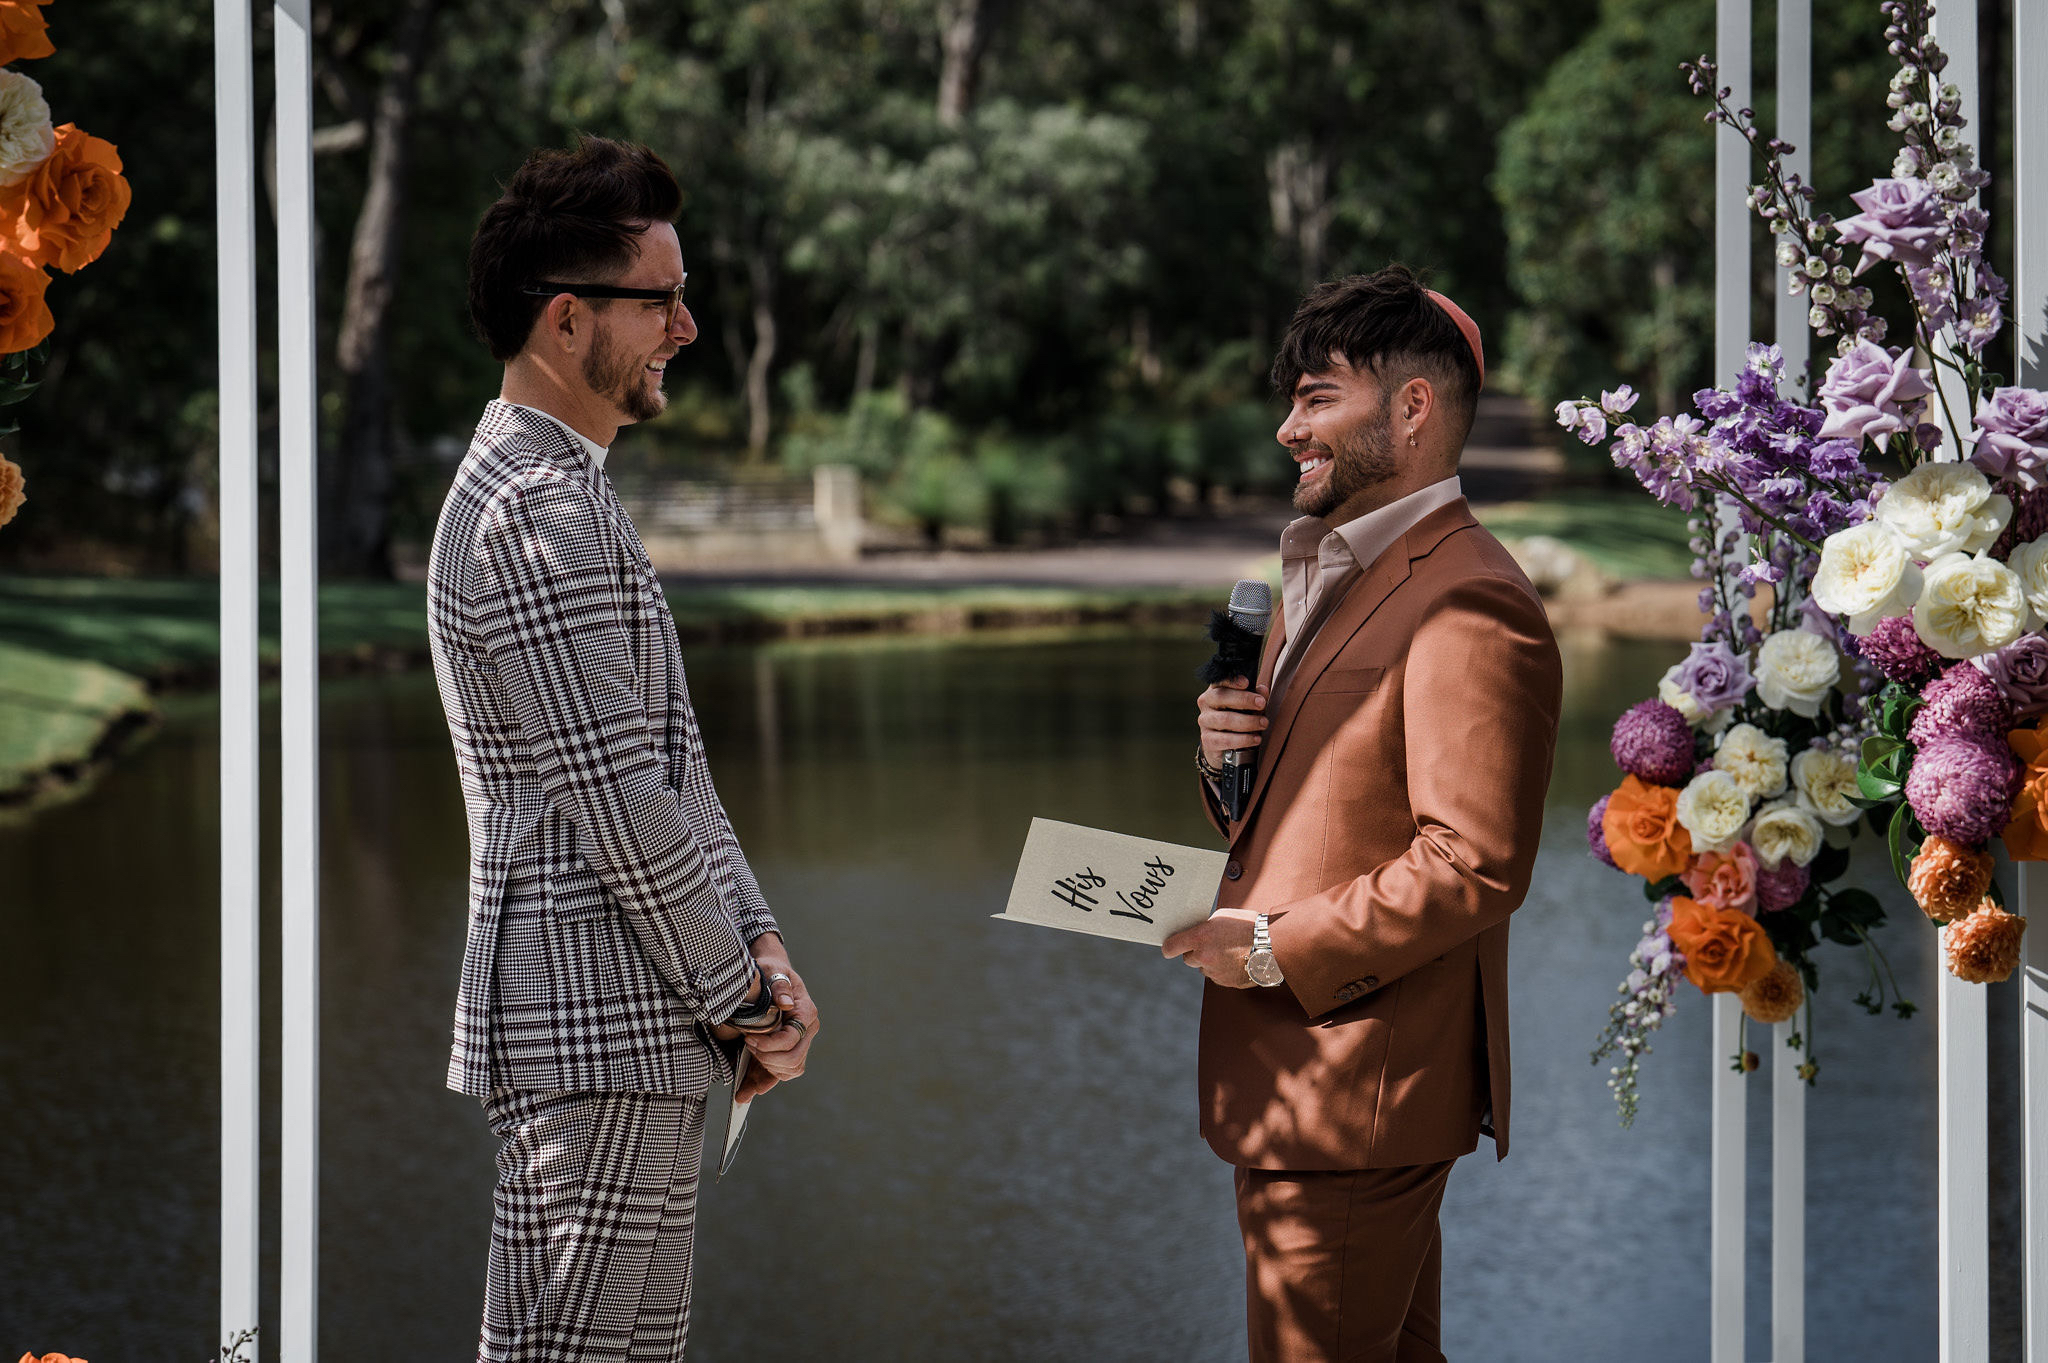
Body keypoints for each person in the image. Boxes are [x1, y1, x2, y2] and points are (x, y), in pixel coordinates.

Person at [425, 135, 820, 1362]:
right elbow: (619, 804)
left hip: (635, 1035)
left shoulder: (569, 486)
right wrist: (742, 996)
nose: (685, 328)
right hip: (591, 1039)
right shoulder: (534, 508)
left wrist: (761, 944)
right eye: (661, 300)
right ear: (565, 320)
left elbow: (675, 765)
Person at [1163, 265, 1562, 1363]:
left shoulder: (1466, 595)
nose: (1287, 429)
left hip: (1349, 1091)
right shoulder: (1340, 570)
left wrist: (1267, 947)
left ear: (1412, 407)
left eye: (1316, 398)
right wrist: (1224, 758)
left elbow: (1472, 861)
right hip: (1312, 1090)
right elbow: (1319, 811)